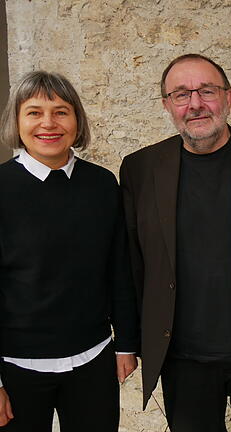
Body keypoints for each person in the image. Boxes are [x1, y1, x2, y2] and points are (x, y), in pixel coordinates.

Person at [119, 53, 231, 432]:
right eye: (181, 94)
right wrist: (129, 342)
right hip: (182, 357)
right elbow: (133, 263)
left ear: (229, 98)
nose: (195, 103)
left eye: (207, 91)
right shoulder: (141, 168)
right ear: (167, 105)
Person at [0, 71, 139, 431]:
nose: (48, 123)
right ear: (17, 121)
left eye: (61, 111)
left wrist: (125, 343)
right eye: (34, 112)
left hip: (92, 359)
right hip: (16, 367)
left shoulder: (102, 184)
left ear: (77, 120)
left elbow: (118, 269)